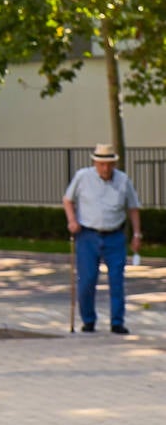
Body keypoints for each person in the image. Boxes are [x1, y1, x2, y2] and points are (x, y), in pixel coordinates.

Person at [63, 143, 143, 334]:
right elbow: (67, 200)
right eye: (101, 164)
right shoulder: (83, 177)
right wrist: (72, 220)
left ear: (114, 164)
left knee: (117, 280)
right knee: (87, 280)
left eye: (109, 165)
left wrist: (137, 234)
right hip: (87, 235)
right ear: (95, 163)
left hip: (115, 235)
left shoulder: (123, 180)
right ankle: (88, 320)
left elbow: (133, 207)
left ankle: (117, 322)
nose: (105, 169)